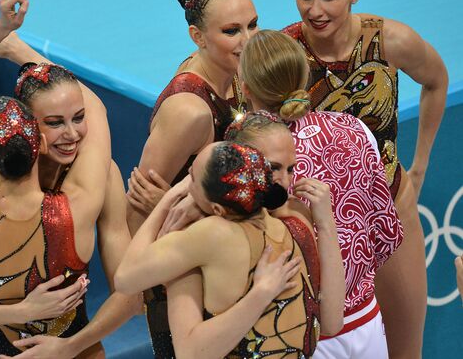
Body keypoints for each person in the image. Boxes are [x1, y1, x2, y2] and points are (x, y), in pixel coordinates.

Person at [0, 0, 138, 358]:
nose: (73, 134)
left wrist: (9, 42)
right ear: (37, 138)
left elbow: (130, 295)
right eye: (56, 123)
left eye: (77, 118)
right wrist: (18, 49)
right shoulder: (72, 197)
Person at [281, 0, 449, 357]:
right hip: (316, 224)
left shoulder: (391, 41)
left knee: (405, 349)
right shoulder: (284, 54)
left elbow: (436, 80)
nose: (314, 10)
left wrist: (421, 166)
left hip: (388, 207)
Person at [226, 29, 404, 358]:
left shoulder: (250, 157)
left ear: (245, 87)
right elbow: (386, 231)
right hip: (367, 327)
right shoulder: (357, 129)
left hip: (299, 335)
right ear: (304, 78)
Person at [124, 0, 259, 357]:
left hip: (222, 267)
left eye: (252, 24)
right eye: (232, 30)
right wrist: (152, 288)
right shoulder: (190, 112)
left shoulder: (230, 71)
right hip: (186, 287)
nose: (248, 39)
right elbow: (136, 206)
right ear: (197, 37)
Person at [115, 141, 344, 358]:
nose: (187, 182)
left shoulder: (212, 234)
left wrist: (169, 198)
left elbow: (125, 279)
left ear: (217, 208)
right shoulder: (295, 222)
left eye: (191, 178)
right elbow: (332, 323)